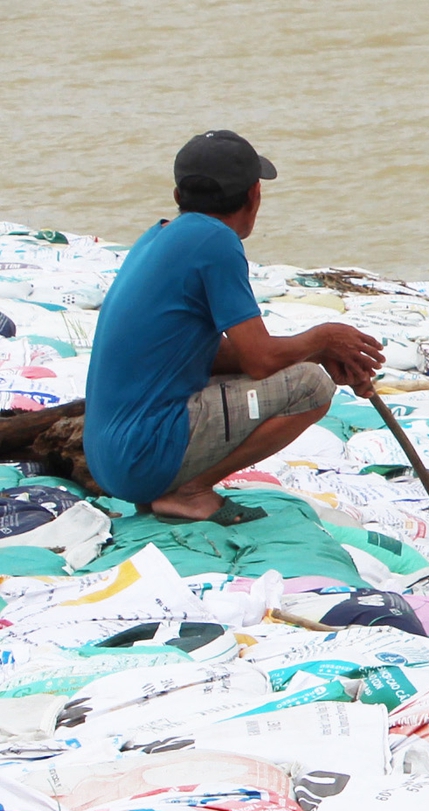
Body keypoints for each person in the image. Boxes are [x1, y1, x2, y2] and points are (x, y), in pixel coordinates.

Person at [84, 130, 383, 523]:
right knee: (312, 386)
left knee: (305, 368)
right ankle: (189, 490)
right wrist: (323, 337)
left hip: (108, 459)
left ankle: (173, 486)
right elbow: (258, 360)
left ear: (178, 198)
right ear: (254, 195)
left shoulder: (158, 235)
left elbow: (217, 356)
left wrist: (322, 351)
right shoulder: (215, 241)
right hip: (143, 455)